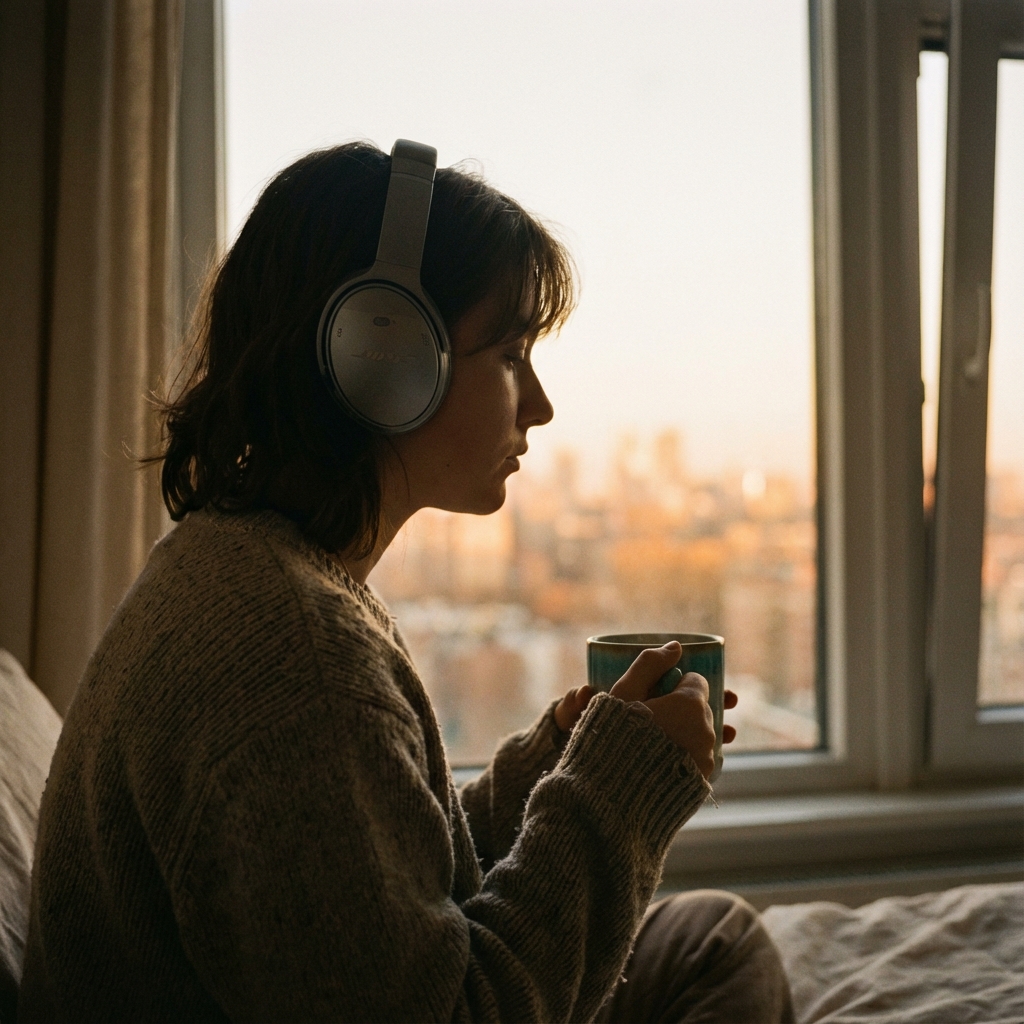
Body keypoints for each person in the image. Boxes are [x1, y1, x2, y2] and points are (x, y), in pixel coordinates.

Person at [20, 142, 793, 1023]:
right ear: (382, 358)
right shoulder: (294, 662)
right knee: (724, 959)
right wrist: (615, 800)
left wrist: (560, 767)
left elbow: (370, 890)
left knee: (710, 940)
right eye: (509, 355)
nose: (539, 404)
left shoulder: (256, 573)